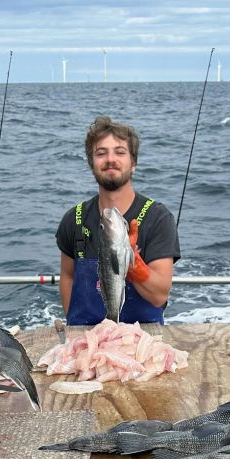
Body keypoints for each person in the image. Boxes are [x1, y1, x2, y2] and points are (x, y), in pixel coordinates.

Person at [56, 116, 180, 325]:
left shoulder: (158, 218)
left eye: (120, 152)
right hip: (87, 337)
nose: (110, 159)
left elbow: (160, 296)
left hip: (142, 337)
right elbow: (67, 277)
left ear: (134, 164)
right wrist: (74, 328)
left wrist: (134, 267)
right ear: (91, 163)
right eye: (101, 153)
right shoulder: (73, 219)